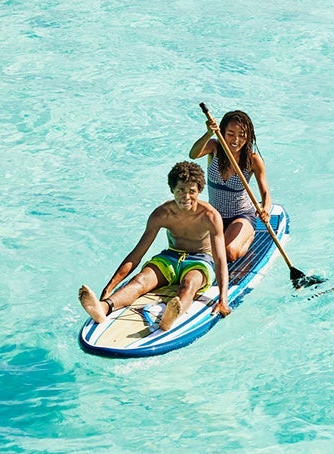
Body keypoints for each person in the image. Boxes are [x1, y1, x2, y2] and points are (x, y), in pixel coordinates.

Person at [78, 161, 230, 331]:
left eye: (191, 191)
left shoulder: (210, 216)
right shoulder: (162, 214)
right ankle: (103, 308)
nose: (186, 197)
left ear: (199, 191)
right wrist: (109, 288)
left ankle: (170, 318)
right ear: (172, 190)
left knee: (189, 285)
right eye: (180, 190)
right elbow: (137, 254)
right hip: (170, 257)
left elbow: (219, 259)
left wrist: (223, 299)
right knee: (140, 280)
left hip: (200, 260)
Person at [188, 109, 270, 262]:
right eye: (230, 134)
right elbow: (193, 154)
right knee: (191, 248)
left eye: (241, 135)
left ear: (248, 136)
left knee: (228, 253)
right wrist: (208, 134)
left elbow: (265, 194)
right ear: (222, 132)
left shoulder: (252, 160)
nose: (236, 140)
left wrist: (265, 209)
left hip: (241, 215)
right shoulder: (214, 147)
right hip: (215, 215)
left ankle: (250, 234)